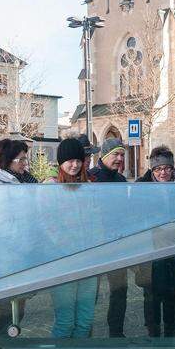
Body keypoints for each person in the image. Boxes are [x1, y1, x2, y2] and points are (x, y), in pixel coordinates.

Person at [40, 138, 98, 337]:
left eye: (78, 160)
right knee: (65, 321)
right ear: (60, 162)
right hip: (63, 262)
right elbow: (48, 226)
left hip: (88, 261)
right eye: (69, 161)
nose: (75, 165)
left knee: (85, 320)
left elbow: (95, 222)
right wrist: (69, 250)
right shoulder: (50, 188)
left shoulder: (88, 186)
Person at [137, 146, 175, 336]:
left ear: (173, 168)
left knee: (172, 291)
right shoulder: (142, 184)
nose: (163, 173)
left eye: (167, 168)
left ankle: (170, 329)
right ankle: (153, 331)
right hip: (151, 246)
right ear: (152, 170)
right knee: (150, 292)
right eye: (158, 169)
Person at [87, 137, 130, 337]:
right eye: (116, 154)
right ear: (104, 156)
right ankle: (85, 332)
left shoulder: (121, 180)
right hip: (95, 247)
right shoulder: (91, 178)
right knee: (90, 294)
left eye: (122, 155)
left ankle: (117, 331)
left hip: (117, 245)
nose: (120, 158)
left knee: (120, 291)